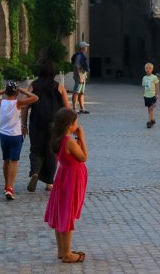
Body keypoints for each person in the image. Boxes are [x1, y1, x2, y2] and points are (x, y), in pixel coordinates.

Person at [45, 108, 89, 263]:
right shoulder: (69, 141)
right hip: (71, 180)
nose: (77, 124)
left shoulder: (59, 139)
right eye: (76, 122)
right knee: (67, 214)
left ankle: (61, 250)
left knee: (60, 213)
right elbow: (83, 157)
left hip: (63, 178)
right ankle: (68, 253)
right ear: (70, 125)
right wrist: (82, 138)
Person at [25, 61, 71, 192]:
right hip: (54, 124)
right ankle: (50, 183)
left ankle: (35, 172)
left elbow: (25, 107)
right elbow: (67, 108)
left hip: (36, 122)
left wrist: (23, 124)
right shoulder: (59, 87)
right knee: (51, 152)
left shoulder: (32, 86)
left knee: (35, 150)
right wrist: (68, 126)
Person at [0, 81, 38, 200]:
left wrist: (2, 91)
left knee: (6, 160)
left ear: (6, 93)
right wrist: (22, 90)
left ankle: (6, 185)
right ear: (16, 93)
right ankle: (10, 188)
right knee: (14, 161)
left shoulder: (2, 102)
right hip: (15, 136)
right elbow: (35, 98)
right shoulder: (18, 103)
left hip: (3, 135)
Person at [71, 42, 90, 114]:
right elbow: (77, 67)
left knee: (81, 93)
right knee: (76, 92)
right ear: (83, 48)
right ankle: (74, 109)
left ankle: (82, 108)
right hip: (79, 77)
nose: (87, 48)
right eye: (86, 46)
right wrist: (80, 77)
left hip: (82, 76)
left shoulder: (81, 55)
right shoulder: (79, 56)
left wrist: (84, 75)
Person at [142, 63, 159, 128]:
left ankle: (149, 121)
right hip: (146, 96)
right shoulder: (144, 78)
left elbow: (157, 86)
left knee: (151, 108)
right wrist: (144, 94)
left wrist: (156, 94)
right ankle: (152, 119)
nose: (148, 69)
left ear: (152, 69)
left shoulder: (154, 77)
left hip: (152, 95)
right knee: (149, 109)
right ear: (145, 69)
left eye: (149, 68)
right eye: (146, 68)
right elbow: (144, 87)